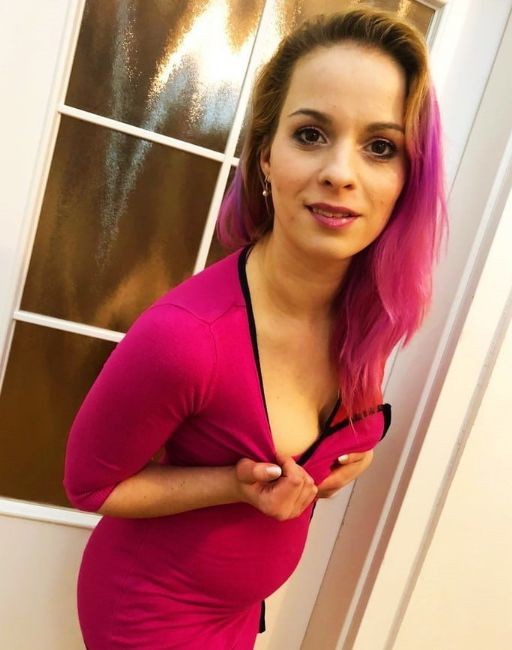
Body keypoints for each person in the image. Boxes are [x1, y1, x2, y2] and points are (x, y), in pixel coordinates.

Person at [64, 8, 447, 649]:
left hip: (241, 611)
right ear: (266, 155)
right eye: (311, 134)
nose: (341, 173)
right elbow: (90, 485)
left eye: (380, 147)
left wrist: (347, 458)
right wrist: (235, 486)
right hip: (152, 614)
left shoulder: (367, 313)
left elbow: (320, 437)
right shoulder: (187, 338)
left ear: (409, 177)